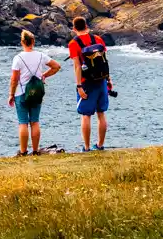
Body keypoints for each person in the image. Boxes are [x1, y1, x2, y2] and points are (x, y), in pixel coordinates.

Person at [8, 29, 61, 156]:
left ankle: (23, 151)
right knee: (35, 122)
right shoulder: (41, 55)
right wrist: (44, 75)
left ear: (22, 42)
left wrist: (11, 94)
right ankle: (36, 150)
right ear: (33, 41)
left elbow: (14, 79)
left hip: (21, 93)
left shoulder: (18, 58)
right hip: (37, 93)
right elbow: (57, 66)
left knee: (23, 123)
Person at [69, 16, 113, 152]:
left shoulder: (73, 43)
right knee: (101, 114)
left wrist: (79, 86)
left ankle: (87, 147)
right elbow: (105, 61)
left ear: (74, 28)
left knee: (86, 115)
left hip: (86, 83)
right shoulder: (98, 39)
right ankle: (100, 145)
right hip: (101, 81)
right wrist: (109, 79)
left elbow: (77, 66)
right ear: (86, 26)